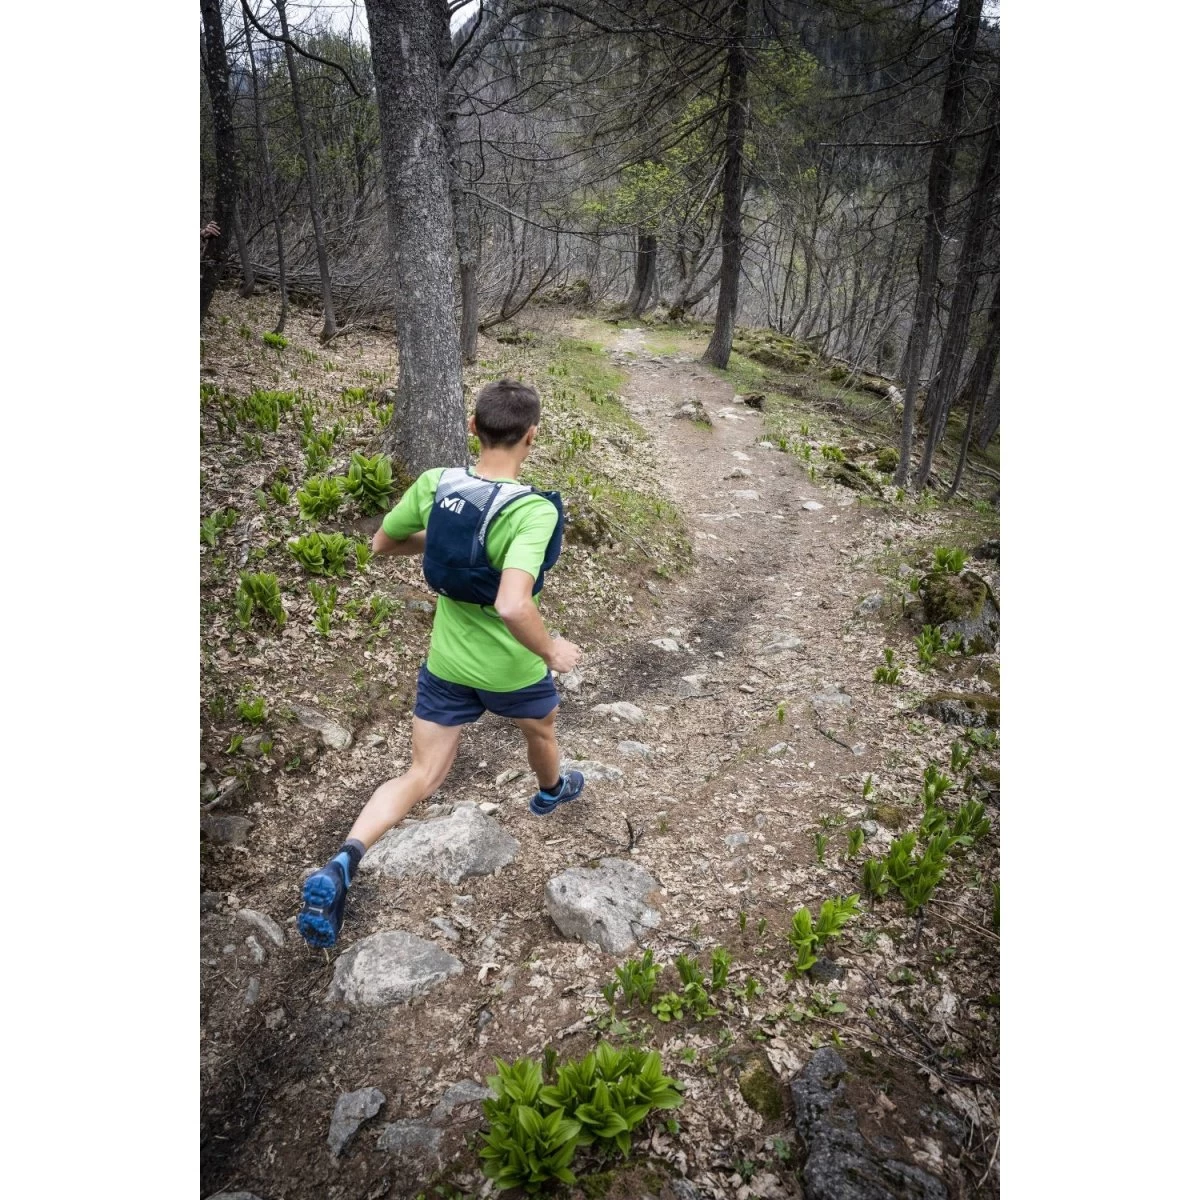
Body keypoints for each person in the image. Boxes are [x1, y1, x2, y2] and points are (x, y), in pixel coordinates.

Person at [296, 379, 585, 948]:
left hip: (448, 662)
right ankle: (552, 790)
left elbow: (382, 544)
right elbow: (511, 602)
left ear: (473, 428)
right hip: (511, 668)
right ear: (532, 436)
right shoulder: (532, 511)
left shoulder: (437, 484)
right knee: (540, 728)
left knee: (420, 775)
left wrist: (443, 542)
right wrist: (553, 651)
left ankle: (342, 862)